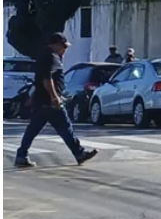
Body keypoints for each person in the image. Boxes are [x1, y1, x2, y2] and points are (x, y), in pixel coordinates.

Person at [13, 33, 100, 168]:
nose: (64, 50)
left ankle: (21, 155)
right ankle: (79, 153)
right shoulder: (51, 57)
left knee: (34, 130)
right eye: (64, 46)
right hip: (50, 102)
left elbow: (40, 79)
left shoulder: (44, 55)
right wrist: (54, 97)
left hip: (42, 100)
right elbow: (47, 79)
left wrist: (34, 96)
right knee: (65, 128)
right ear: (57, 45)